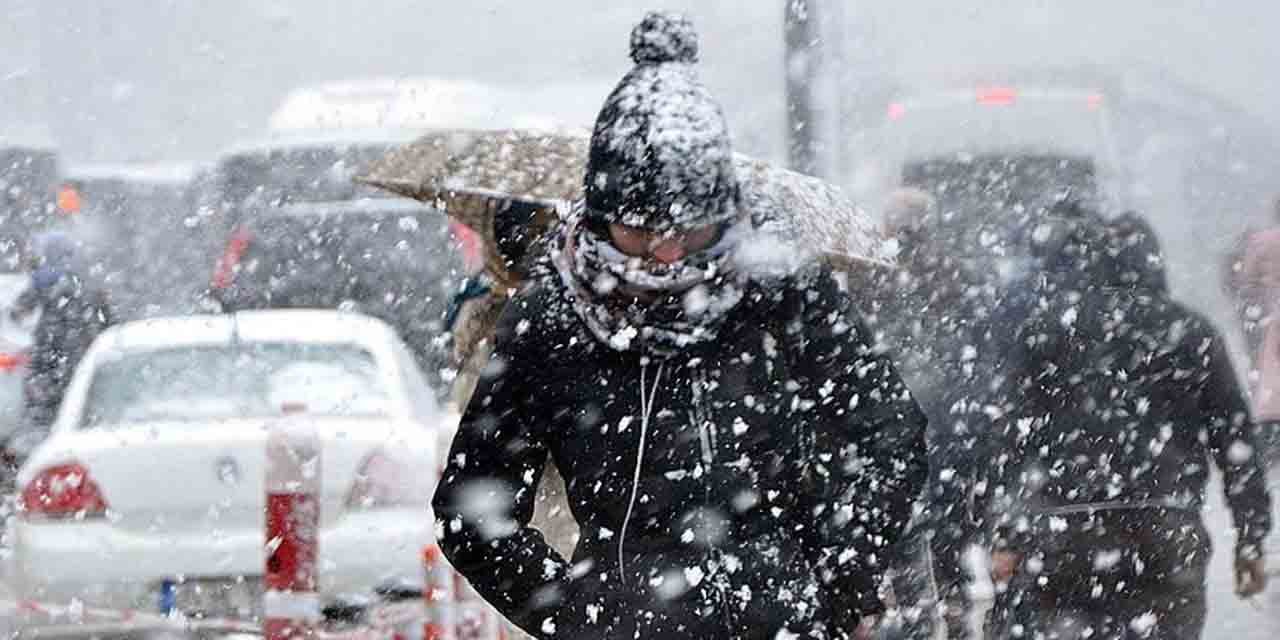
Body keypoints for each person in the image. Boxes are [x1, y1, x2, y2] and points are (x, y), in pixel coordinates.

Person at [432, 12, 929, 640]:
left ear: (722, 214)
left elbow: (888, 432)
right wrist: (579, 617)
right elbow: (471, 509)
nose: (666, 256)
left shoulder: (782, 290)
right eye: (640, 232)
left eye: (689, 232)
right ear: (598, 216)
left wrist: (838, 582)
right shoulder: (553, 316)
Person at [980, 213, 1272, 639]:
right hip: (1167, 523)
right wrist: (1250, 538)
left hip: (1065, 529)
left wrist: (1005, 532)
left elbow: (1009, 436)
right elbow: (1235, 438)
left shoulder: (1046, 330)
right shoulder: (1190, 331)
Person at [18, 231, 116, 431]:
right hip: (82, 343)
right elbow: (105, 312)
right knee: (79, 391)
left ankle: (46, 428)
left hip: (49, 343)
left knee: (43, 396)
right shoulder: (84, 277)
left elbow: (22, 308)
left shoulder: (42, 277)